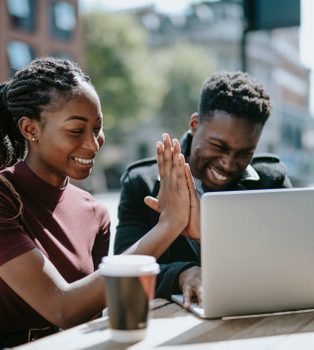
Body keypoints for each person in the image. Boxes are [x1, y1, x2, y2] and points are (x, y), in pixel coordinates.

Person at [0, 56, 191, 348]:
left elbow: (91, 313)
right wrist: (169, 225)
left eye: (97, 128)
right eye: (76, 130)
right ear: (30, 129)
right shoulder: (4, 195)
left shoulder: (95, 212)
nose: (92, 144)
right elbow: (62, 308)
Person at [114, 71, 292, 307]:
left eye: (244, 153)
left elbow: (289, 262)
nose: (228, 164)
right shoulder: (142, 183)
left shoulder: (271, 181)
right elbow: (123, 270)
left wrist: (206, 235)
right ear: (195, 125)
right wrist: (181, 274)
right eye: (218, 146)